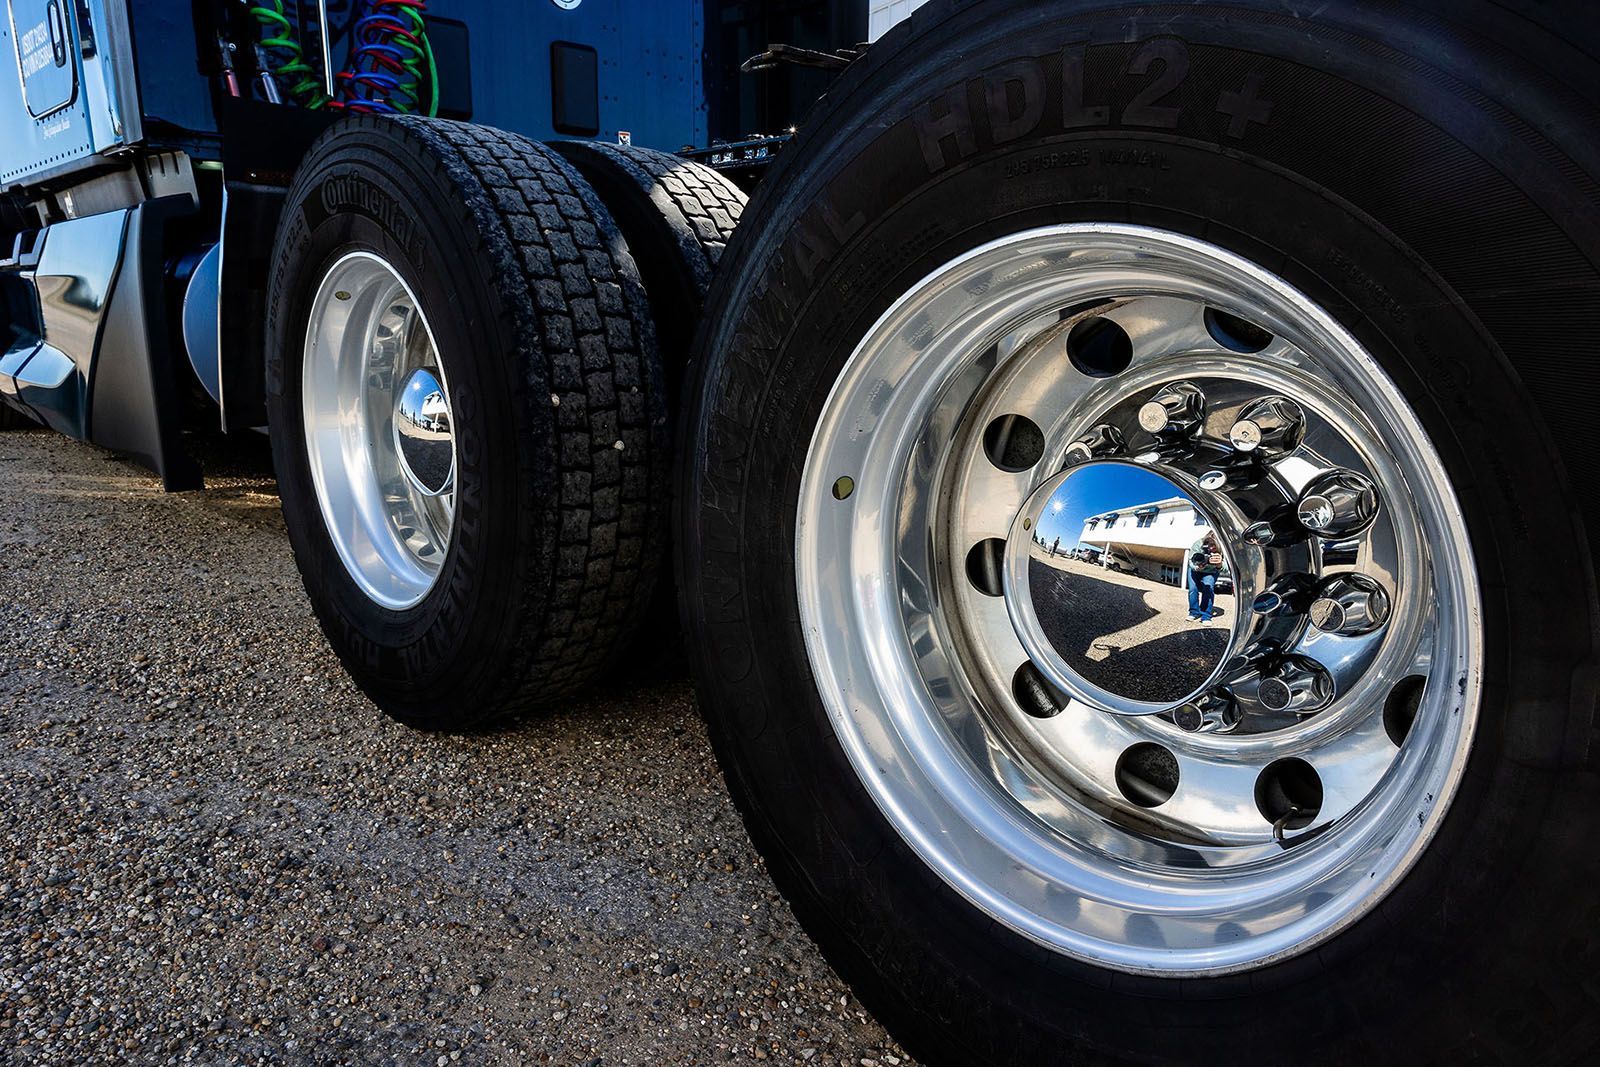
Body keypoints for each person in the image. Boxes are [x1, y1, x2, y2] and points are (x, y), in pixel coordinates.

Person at [1187, 532, 1224, 624]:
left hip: (1210, 572)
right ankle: (1194, 612)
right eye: (1209, 544)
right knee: (1193, 589)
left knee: (1208, 589)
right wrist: (1197, 567)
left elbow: (1227, 568)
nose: (1211, 548)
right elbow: (1191, 561)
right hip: (1195, 570)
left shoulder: (1224, 548)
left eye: (1214, 545)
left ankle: (1206, 616)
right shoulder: (1198, 544)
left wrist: (1219, 564)